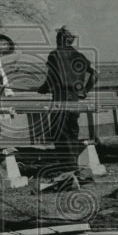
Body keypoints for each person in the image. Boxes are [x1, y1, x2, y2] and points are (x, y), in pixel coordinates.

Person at [37, 25, 97, 153]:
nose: (56, 39)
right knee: (72, 132)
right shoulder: (80, 56)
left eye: (58, 37)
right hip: (74, 100)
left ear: (62, 38)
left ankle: (68, 168)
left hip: (60, 99)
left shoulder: (54, 55)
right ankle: (72, 166)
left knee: (60, 134)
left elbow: (51, 79)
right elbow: (96, 74)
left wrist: (43, 88)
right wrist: (85, 91)